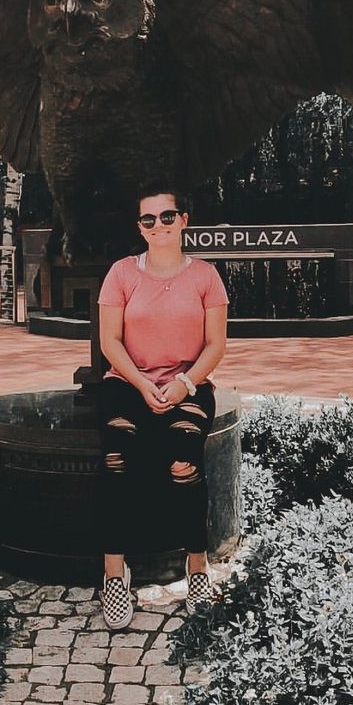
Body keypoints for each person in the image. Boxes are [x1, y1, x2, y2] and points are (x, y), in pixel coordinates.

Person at [96, 184, 229, 630]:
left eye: (167, 217)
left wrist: (184, 384)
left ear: (183, 221)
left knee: (183, 461)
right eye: (148, 219)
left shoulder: (206, 276)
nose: (158, 226)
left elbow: (215, 345)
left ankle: (198, 566)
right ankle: (115, 574)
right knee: (116, 457)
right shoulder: (121, 274)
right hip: (127, 384)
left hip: (188, 387)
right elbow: (110, 340)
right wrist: (141, 383)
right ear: (140, 227)